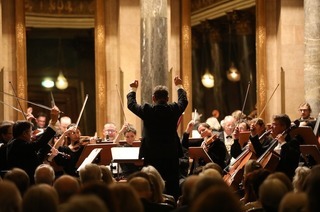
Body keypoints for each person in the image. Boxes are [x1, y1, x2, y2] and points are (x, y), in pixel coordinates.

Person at [127, 76, 188, 199]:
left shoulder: (147, 110)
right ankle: (172, 205)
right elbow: (183, 101)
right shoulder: (174, 109)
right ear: (168, 99)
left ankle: (153, 202)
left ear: (153, 98)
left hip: (151, 153)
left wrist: (133, 89)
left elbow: (131, 105)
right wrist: (179, 86)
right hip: (171, 153)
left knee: (152, 181)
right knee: (172, 183)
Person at [6, 106, 59, 183]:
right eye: (30, 132)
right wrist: (53, 121)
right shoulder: (19, 145)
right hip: (23, 181)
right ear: (24, 133)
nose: (32, 134)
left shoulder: (13, 141)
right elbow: (39, 143)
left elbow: (35, 158)